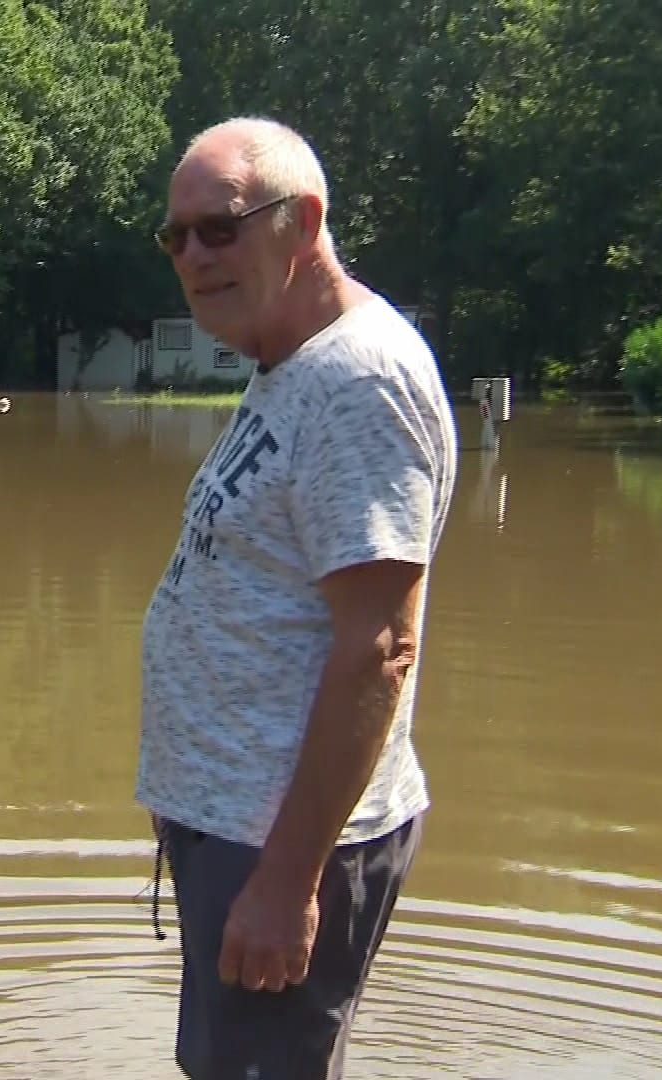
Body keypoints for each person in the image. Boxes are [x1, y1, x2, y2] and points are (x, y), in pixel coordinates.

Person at [137, 117, 458, 1078]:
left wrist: (286, 881)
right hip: (238, 827)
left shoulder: (360, 382)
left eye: (220, 227)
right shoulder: (293, 362)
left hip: (283, 844)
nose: (194, 256)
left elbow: (380, 647)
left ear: (303, 221)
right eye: (176, 236)